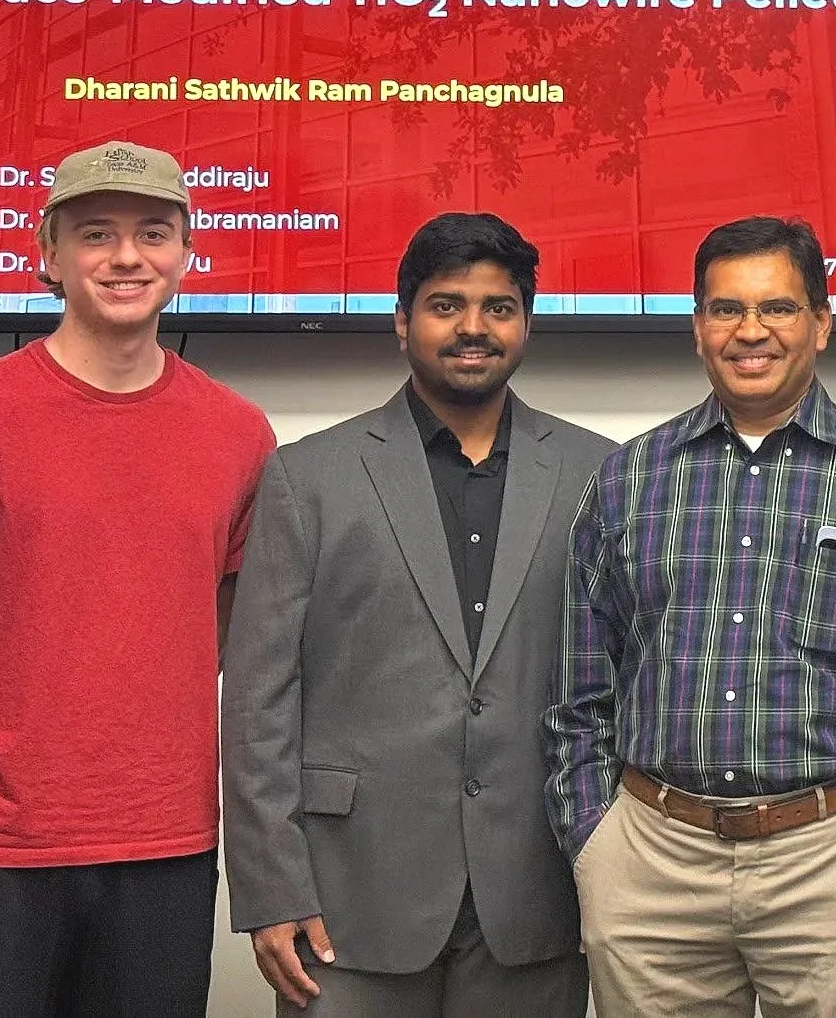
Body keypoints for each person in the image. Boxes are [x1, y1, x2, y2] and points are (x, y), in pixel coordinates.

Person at [544, 214, 836, 1018]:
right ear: (698, 328)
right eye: (726, 309)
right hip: (653, 864)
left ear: (821, 323)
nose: (750, 331)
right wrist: (593, 840)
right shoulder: (628, 481)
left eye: (778, 308)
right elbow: (578, 694)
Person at [222, 212, 614, 1015]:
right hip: (349, 894)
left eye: (498, 307)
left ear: (527, 323)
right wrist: (270, 889)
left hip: (541, 890)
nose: (473, 327)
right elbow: (259, 701)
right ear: (402, 321)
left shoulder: (599, 474)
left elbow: (624, 684)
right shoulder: (308, 477)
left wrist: (614, 872)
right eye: (445, 305)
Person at [0, 140, 275, 1014]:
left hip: (165, 846)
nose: (127, 257)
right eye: (96, 234)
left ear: (186, 254)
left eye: (152, 233)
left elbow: (233, 627)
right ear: (48, 254)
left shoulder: (240, 434)